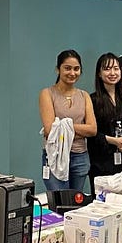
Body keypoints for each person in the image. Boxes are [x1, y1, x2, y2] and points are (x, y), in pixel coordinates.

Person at [39, 49, 97, 193]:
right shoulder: (47, 94)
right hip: (54, 156)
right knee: (59, 203)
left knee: (75, 206)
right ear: (58, 69)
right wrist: (79, 130)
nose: (72, 73)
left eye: (76, 69)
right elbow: (50, 130)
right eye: (67, 68)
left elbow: (92, 129)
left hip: (80, 157)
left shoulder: (84, 96)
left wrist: (65, 127)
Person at [88, 52, 122, 188]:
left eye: (116, 69)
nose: (112, 73)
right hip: (101, 162)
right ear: (99, 73)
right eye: (107, 69)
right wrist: (112, 140)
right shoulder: (92, 100)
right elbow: (92, 134)